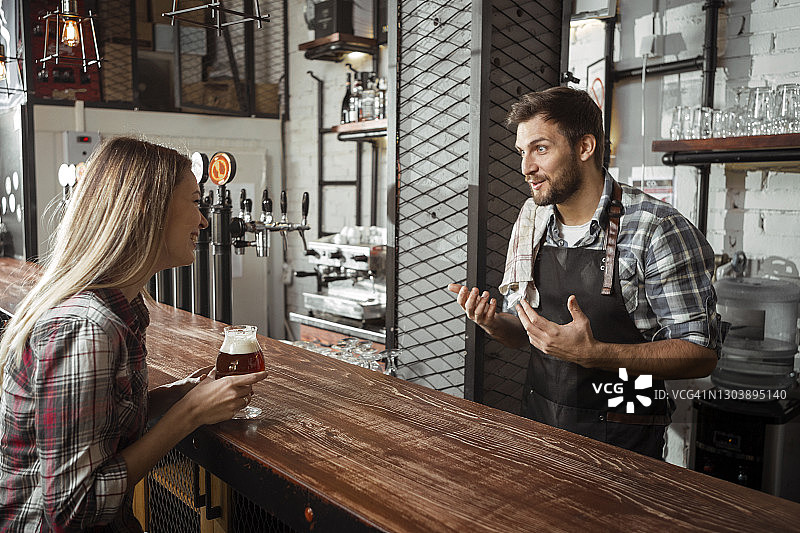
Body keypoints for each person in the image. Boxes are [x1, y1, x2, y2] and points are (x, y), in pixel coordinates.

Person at [0, 137, 267, 531]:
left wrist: (175, 395)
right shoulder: (88, 328)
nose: (205, 220)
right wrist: (189, 413)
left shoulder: (122, 307)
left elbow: (105, 420)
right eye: (194, 202)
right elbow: (73, 511)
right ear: (149, 208)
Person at [448, 87, 722, 459]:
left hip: (627, 438)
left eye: (540, 149)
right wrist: (496, 324)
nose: (526, 167)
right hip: (542, 424)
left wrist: (596, 354)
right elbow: (530, 336)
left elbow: (701, 352)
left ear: (585, 147)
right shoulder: (532, 219)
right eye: (522, 152)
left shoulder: (655, 227)